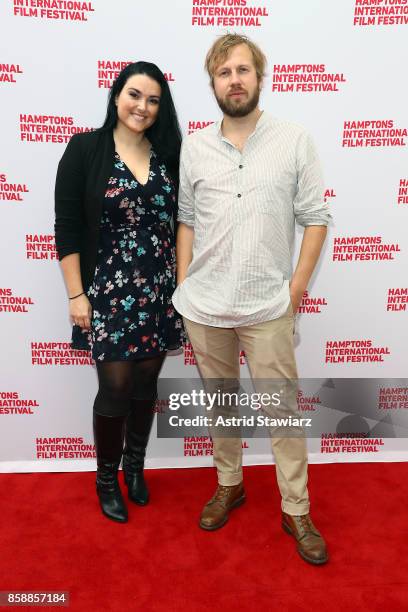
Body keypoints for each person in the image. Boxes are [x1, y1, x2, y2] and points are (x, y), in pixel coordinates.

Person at [172, 34, 330, 565]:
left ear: (260, 77)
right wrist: (184, 283)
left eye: (243, 69)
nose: (233, 79)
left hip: (269, 305)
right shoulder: (194, 147)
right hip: (206, 305)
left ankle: (297, 508)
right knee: (221, 405)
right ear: (213, 83)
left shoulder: (294, 139)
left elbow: (315, 218)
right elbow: (187, 222)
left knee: (282, 412)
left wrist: (295, 290)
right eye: (223, 72)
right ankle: (229, 483)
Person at [55, 62, 183, 523]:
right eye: (134, 95)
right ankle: (106, 478)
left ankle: (135, 468)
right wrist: (76, 295)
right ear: (115, 96)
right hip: (106, 292)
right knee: (115, 387)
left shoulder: (170, 153)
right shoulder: (85, 149)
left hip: (157, 290)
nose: (142, 107)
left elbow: (181, 223)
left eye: (153, 100)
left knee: (146, 386)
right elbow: (67, 227)